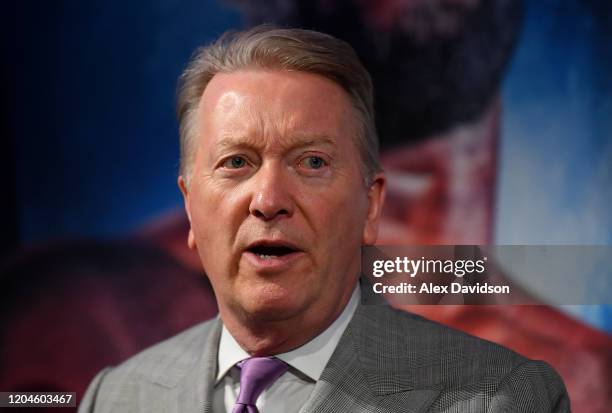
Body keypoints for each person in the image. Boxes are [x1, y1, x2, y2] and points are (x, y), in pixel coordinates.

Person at [79, 25, 569, 412]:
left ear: (370, 206)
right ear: (189, 206)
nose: (268, 199)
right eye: (236, 163)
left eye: (311, 162)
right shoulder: (115, 397)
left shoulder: (500, 399)